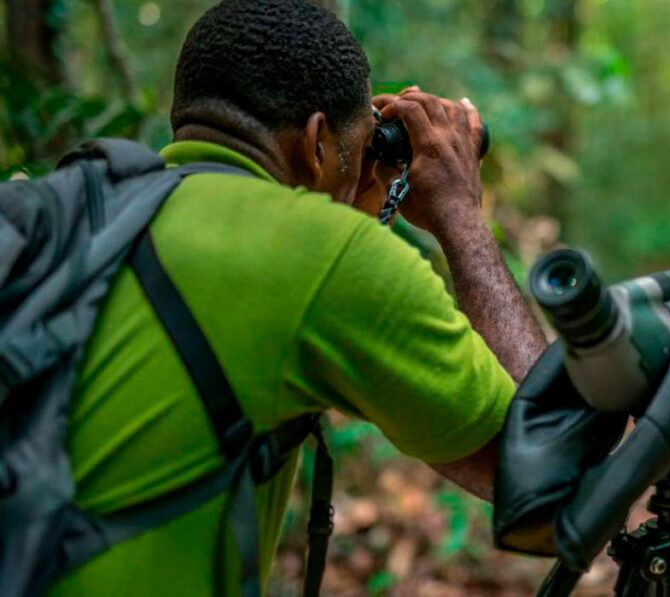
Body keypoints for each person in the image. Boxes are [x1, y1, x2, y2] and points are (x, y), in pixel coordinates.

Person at [48, 0, 548, 594]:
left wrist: (351, 209)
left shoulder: (75, 212)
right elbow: (554, 484)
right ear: (315, 142)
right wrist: (460, 214)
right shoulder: (330, 261)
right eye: (361, 145)